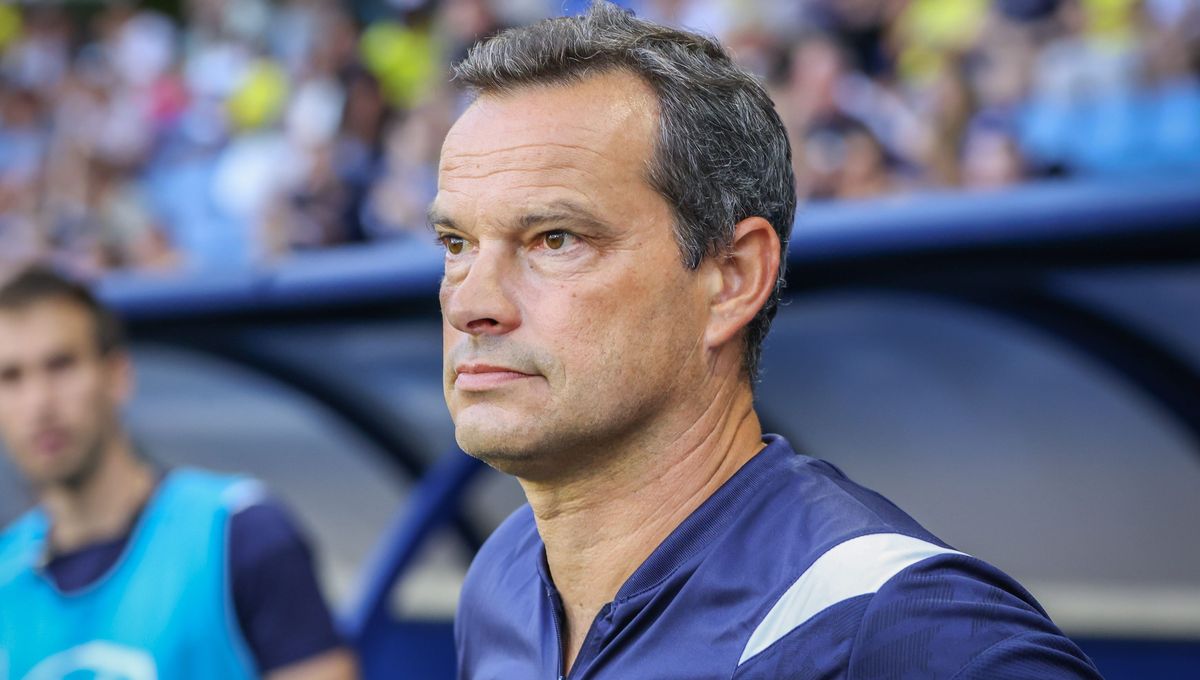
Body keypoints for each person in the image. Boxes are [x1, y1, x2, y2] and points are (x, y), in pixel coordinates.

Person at [435, 3, 1102, 679]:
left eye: (555, 239)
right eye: (456, 244)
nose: (470, 304)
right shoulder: (503, 578)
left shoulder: (894, 622)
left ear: (733, 279)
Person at [0, 266, 358, 680]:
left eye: (61, 366)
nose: (39, 403)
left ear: (117, 376)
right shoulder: (6, 572)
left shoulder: (238, 533)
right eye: (11, 377)